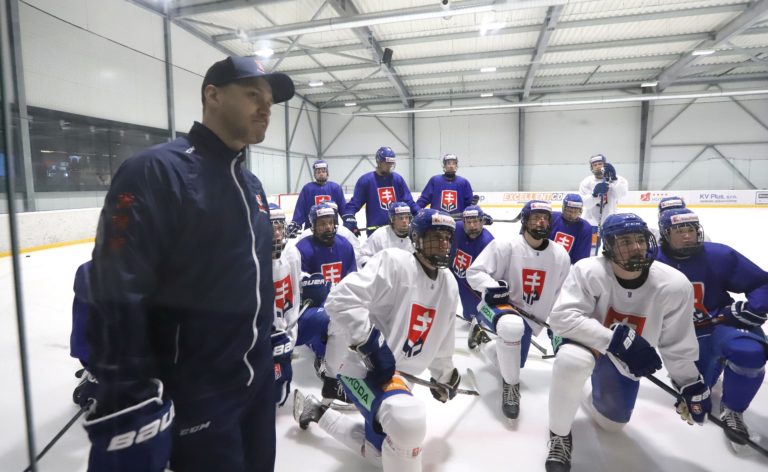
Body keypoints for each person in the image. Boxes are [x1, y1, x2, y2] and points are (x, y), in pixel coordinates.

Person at [85, 55, 294, 472]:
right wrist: (130, 393)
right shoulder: (155, 171)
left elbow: (251, 282)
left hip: (254, 384)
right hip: (198, 394)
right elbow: (116, 288)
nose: (266, 107)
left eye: (270, 99)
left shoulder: (250, 184)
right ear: (211, 95)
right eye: (253, 94)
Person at [293, 209, 460, 472]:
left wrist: (444, 374)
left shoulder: (449, 283)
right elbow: (340, 299)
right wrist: (371, 344)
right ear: (417, 239)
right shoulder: (394, 263)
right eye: (434, 237)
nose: (442, 243)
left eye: (447, 238)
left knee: (382, 452)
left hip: (400, 379)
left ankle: (320, 412)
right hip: (360, 369)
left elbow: (444, 334)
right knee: (407, 422)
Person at [545, 213, 709, 472]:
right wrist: (614, 340)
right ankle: (559, 434)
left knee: (613, 424)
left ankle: (585, 395)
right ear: (608, 247)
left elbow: (677, 343)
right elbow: (562, 319)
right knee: (572, 362)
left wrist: (689, 382)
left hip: (626, 359)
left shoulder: (675, 285)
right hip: (583, 341)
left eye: (640, 240)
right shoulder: (588, 270)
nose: (635, 247)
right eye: (624, 241)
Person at [656, 207, 767, 452]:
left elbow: (763, 282)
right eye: (679, 230)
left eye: (692, 229)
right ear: (665, 234)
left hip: (719, 324)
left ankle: (733, 410)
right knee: (696, 392)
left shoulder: (718, 255)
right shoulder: (651, 260)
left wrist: (755, 307)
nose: (688, 235)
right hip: (679, 334)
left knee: (750, 353)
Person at [466, 200, 570, 420]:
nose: (541, 221)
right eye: (535, 217)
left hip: (532, 318)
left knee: (515, 361)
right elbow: (474, 273)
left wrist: (559, 323)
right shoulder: (506, 245)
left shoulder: (560, 255)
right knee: (512, 346)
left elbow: (561, 293)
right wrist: (494, 287)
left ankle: (484, 340)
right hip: (500, 309)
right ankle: (511, 387)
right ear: (525, 221)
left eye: (545, 217)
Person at [269, 203, 348, 407]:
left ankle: (330, 376)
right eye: (270, 228)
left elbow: (299, 280)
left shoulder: (292, 254)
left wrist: (310, 281)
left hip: (294, 326)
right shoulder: (249, 261)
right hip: (266, 339)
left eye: (279, 227)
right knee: (276, 399)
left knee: (336, 318)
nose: (276, 233)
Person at [342, 146, 419, 237]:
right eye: (387, 163)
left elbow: (408, 201)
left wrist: (419, 213)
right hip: (376, 234)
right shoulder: (366, 181)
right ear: (379, 162)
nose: (390, 166)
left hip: (398, 231)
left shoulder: (397, 179)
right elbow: (354, 204)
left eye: (391, 163)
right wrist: (349, 218)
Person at [449, 205, 494, 338]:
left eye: (476, 221)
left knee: (471, 317)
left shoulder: (489, 242)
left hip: (470, 283)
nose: (472, 226)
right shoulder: (456, 228)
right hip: (451, 271)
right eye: (468, 222)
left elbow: (490, 272)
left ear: (482, 221)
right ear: (463, 222)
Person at [578, 154, 628, 253]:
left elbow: (621, 194)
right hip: (592, 224)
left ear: (605, 164)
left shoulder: (618, 179)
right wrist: (595, 195)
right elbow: (584, 203)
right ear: (591, 167)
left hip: (611, 222)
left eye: (600, 164)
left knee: (613, 250)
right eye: (594, 164)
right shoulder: (586, 182)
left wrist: (614, 180)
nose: (597, 166)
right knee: (592, 250)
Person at [292, 201, 361, 268]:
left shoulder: (345, 244)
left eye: (331, 222)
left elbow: (353, 270)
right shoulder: (302, 249)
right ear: (314, 225)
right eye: (322, 223)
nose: (328, 227)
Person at [287, 159, 347, 237]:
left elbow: (343, 209)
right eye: (318, 172)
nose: (321, 174)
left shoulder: (336, 188)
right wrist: (296, 223)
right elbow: (300, 209)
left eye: (323, 171)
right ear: (314, 174)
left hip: (331, 230)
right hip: (311, 231)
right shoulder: (307, 188)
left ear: (327, 173)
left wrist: (349, 221)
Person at [358, 201, 413, 267]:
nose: (404, 221)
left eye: (406, 217)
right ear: (393, 220)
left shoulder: (415, 236)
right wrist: (372, 268)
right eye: (400, 218)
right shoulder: (380, 235)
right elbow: (363, 256)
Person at [549, 193, 592, 264]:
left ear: (580, 211)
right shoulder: (552, 218)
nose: (572, 215)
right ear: (563, 208)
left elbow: (582, 258)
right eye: (569, 211)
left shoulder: (585, 228)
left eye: (575, 212)